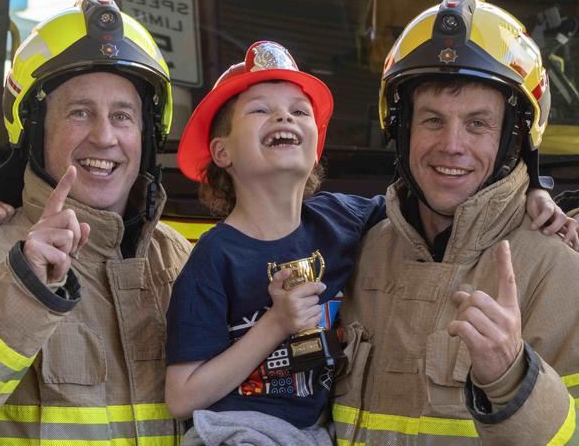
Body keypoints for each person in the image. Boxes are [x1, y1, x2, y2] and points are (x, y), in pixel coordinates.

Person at [162, 41, 571, 445]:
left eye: (299, 111)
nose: (284, 117)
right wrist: (275, 325)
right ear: (221, 151)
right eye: (260, 109)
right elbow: (181, 396)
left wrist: (534, 190)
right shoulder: (212, 257)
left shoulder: (344, 222)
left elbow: (434, 207)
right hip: (237, 434)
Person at [0, 0, 191, 444]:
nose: (105, 136)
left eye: (122, 116)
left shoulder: (183, 265)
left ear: (147, 136)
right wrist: (19, 292)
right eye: (80, 112)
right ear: (34, 130)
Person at [331, 0, 579, 445]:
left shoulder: (559, 270)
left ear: (513, 138)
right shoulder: (361, 251)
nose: (451, 145)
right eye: (431, 120)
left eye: (478, 124)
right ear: (400, 127)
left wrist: (511, 380)